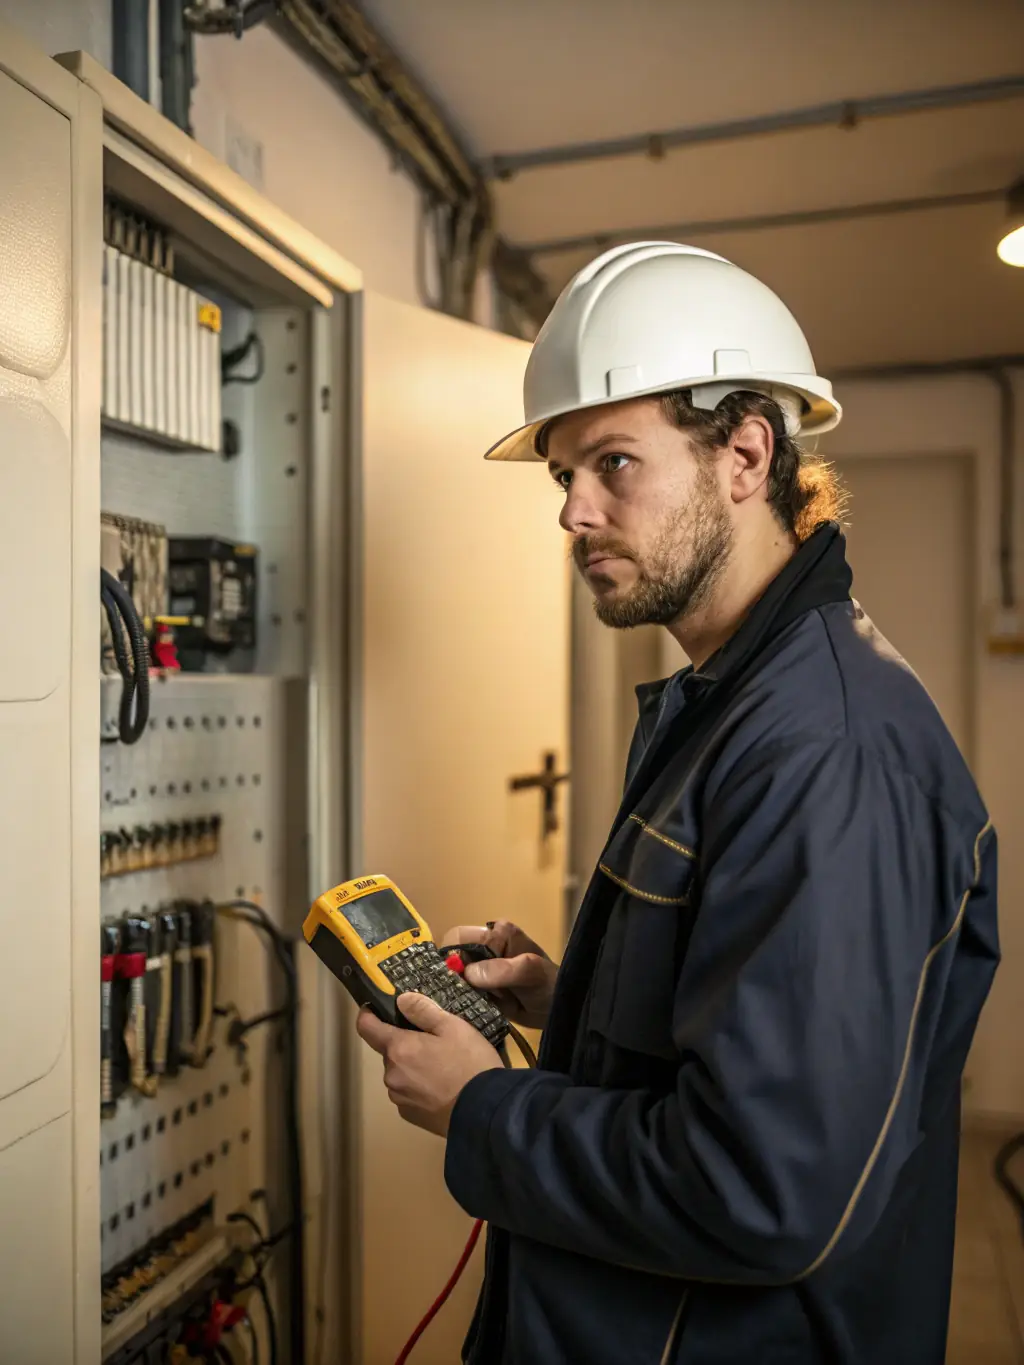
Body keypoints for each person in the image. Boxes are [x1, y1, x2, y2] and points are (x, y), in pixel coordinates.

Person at [356, 242, 999, 1364]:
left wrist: (483, 1110)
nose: (573, 512)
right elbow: (741, 1029)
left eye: (614, 462)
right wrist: (569, 1005)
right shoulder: (732, 698)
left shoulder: (824, 751)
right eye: (564, 475)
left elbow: (762, 1188)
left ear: (745, 455)